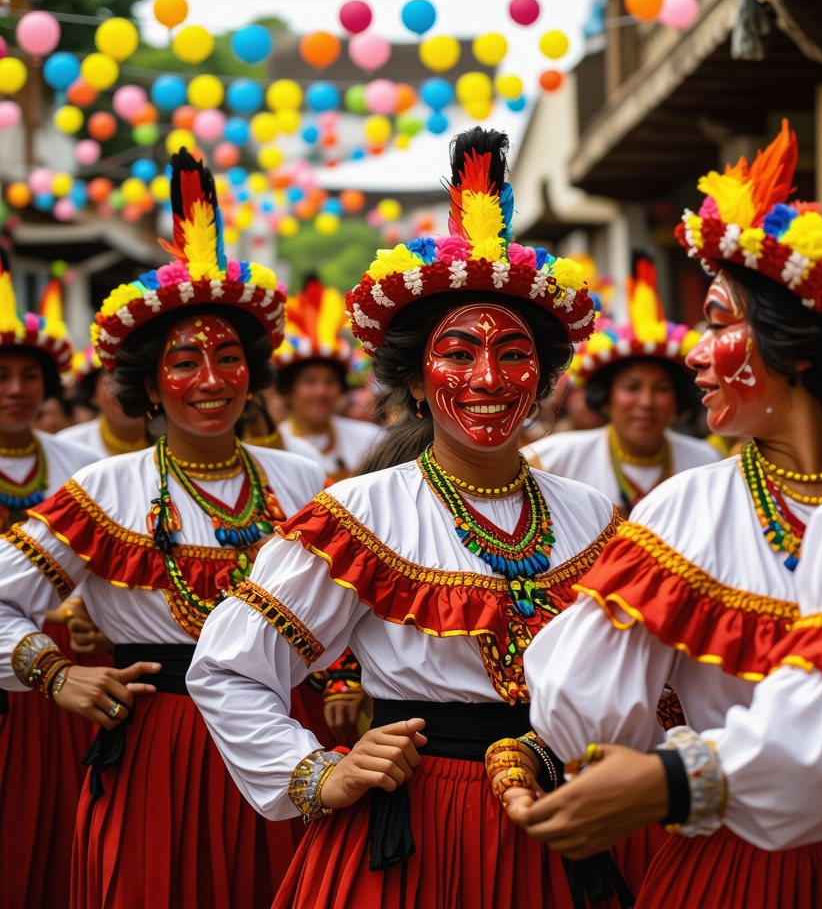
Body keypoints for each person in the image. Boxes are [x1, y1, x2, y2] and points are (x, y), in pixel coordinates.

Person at [508, 117, 822, 909]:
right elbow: (585, 704)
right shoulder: (694, 506)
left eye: (717, 322)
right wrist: (664, 771)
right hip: (747, 857)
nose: (692, 354)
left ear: (800, 346)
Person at [187, 129, 633, 909]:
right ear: (417, 385)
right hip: (425, 829)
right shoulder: (361, 514)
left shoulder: (592, 516)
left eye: (514, 355)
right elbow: (230, 668)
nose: (488, 377)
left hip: (567, 818)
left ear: (545, 378)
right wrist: (323, 770)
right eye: (458, 354)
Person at [0, 151, 325, 909]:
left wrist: (340, 684)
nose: (211, 380)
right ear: (147, 383)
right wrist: (54, 674)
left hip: (289, 735)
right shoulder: (103, 489)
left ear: (254, 371)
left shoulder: (306, 483)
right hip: (159, 742)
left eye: (229, 358)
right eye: (185, 360)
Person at [0, 257, 101, 909]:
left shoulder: (81, 469)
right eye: (2, 375)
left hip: (63, 689)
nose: (16, 389)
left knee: (57, 840)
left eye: (30, 375)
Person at [524, 255, 719, 515]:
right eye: (632, 387)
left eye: (661, 389)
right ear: (606, 397)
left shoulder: (706, 461)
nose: (646, 402)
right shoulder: (549, 460)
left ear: (678, 399)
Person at [275, 277, 384, 481]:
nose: (321, 391)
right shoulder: (274, 447)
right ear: (288, 389)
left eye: (329, 382)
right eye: (310, 382)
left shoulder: (373, 440)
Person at [61, 346, 151, 458]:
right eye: (113, 378)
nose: (125, 390)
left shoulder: (173, 441)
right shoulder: (67, 447)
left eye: (134, 377)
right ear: (92, 395)